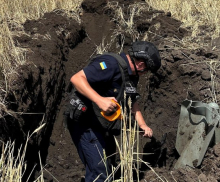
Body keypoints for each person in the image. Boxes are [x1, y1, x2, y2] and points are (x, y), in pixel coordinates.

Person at [65, 41, 161, 182]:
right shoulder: (110, 64)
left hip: (101, 124)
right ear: (141, 64)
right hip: (85, 123)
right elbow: (77, 78)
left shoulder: (132, 76)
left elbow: (133, 101)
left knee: (109, 165)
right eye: (146, 70)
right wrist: (99, 100)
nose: (145, 73)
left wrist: (142, 125)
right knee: (100, 172)